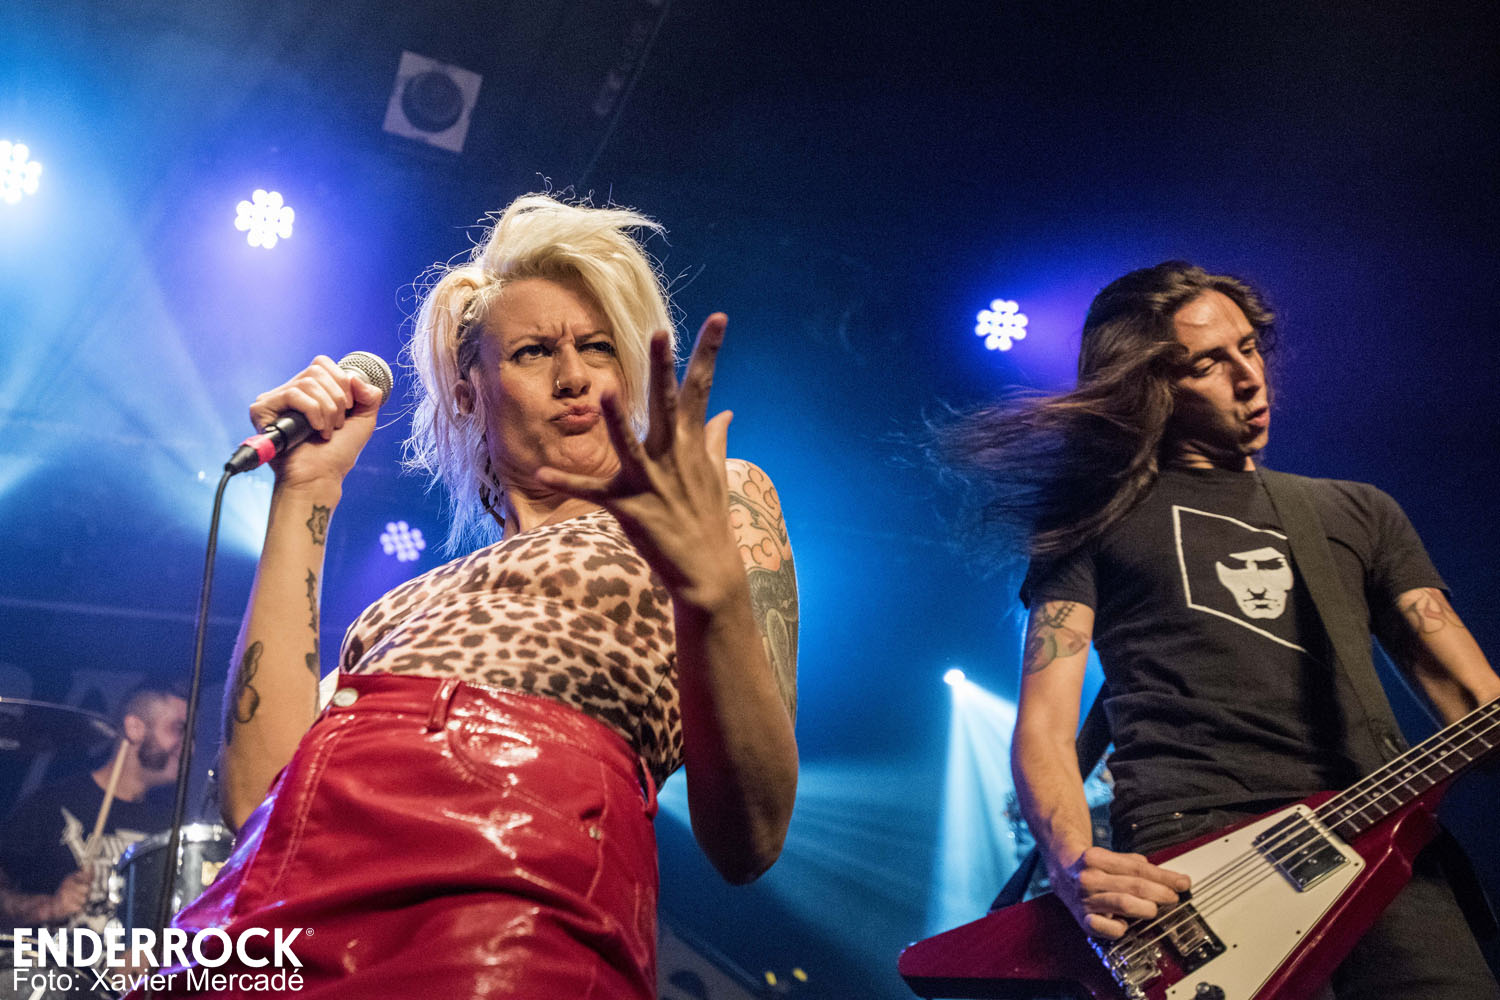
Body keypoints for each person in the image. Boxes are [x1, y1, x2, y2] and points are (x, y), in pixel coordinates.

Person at [146, 194, 799, 998]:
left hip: (500, 903)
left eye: (599, 347)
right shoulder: (400, 607)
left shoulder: (716, 499)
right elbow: (258, 797)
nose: (575, 377)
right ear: (468, 390)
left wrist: (716, 599)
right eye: (532, 351)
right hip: (268, 917)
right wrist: (306, 488)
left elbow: (752, 838)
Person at [937, 261, 1500, 998]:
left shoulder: (1359, 512)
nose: (1249, 377)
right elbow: (1044, 728)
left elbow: (1474, 703)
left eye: (1250, 348)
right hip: (1193, 861)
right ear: (1152, 387)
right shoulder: (1097, 523)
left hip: (1382, 845)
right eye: (1207, 364)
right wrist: (1077, 868)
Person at [0, 684, 187, 932]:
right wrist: (48, 908)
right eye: (179, 729)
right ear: (134, 729)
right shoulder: (52, 804)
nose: (190, 746)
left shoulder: (169, 828)